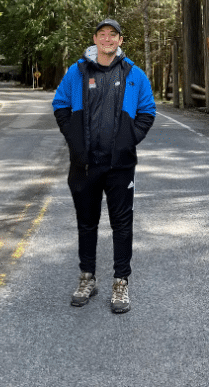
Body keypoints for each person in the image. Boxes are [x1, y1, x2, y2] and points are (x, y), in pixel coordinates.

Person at [52, 18, 156, 314]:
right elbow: (60, 104)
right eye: (102, 34)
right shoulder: (78, 71)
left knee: (122, 224)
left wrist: (129, 139)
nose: (107, 39)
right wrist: (73, 139)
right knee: (87, 222)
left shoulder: (134, 74)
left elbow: (147, 111)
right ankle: (87, 277)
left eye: (113, 35)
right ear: (95, 39)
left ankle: (121, 282)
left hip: (120, 165)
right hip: (84, 164)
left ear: (120, 40)